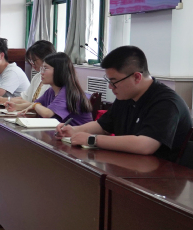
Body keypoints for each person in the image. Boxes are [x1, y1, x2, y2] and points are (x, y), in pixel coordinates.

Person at [56, 46, 192, 161]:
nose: (110, 87)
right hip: (131, 164)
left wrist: (92, 139)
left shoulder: (166, 103)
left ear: (137, 77)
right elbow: (103, 126)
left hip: (163, 175)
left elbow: (145, 145)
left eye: (114, 81)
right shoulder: (126, 96)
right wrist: (75, 130)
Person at [6, 52, 93, 126]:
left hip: (80, 137)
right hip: (64, 134)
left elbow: (46, 113)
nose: (41, 73)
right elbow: (35, 104)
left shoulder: (67, 92)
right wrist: (16, 107)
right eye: (42, 68)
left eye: (45, 68)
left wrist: (35, 106)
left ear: (58, 71)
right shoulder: (51, 91)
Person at [0, 40, 54, 105]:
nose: (32, 64)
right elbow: (24, 98)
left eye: (34, 60)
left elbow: (40, 106)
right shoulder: (37, 77)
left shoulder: (55, 80)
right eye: (30, 60)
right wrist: (3, 100)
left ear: (46, 58)